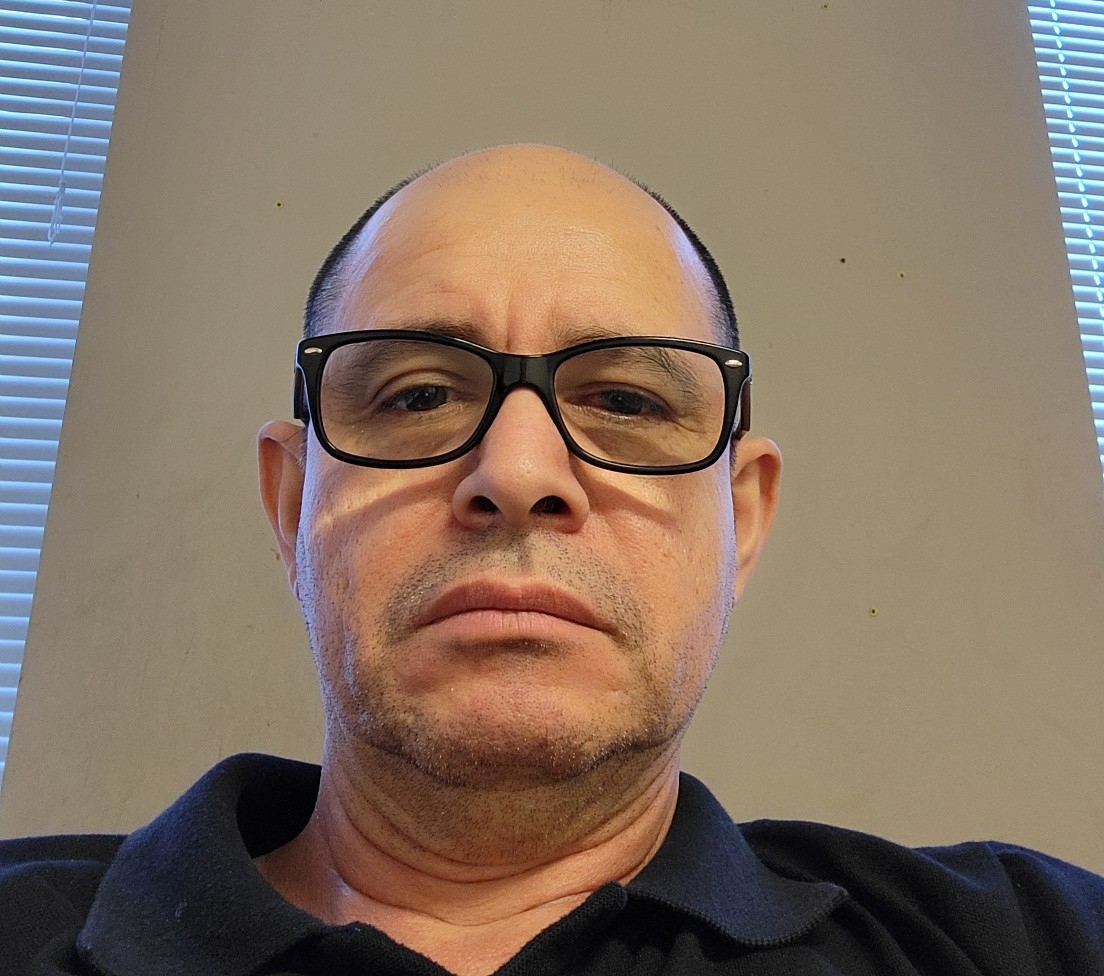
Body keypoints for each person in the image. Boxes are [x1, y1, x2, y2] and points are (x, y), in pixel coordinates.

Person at [1, 143, 1102, 976]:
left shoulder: (1029, 939)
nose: (518, 471)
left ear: (744, 518)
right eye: (418, 395)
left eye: (627, 400)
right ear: (292, 503)